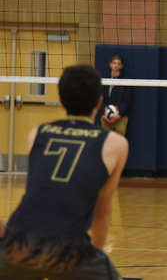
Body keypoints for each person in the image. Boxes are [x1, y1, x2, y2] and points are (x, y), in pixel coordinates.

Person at [0, 65, 129, 279]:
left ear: (60, 100)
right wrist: (94, 255)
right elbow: (102, 212)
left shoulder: (36, 134)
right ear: (99, 102)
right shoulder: (115, 144)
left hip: (19, 247)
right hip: (70, 253)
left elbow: (41, 195)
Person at [101, 55, 132, 137]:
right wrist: (105, 114)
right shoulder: (104, 80)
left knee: (119, 143)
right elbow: (101, 98)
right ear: (110, 64)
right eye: (114, 63)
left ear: (121, 66)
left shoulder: (125, 80)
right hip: (105, 117)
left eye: (118, 64)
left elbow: (126, 100)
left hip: (121, 118)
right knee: (105, 142)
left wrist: (119, 114)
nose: (116, 65)